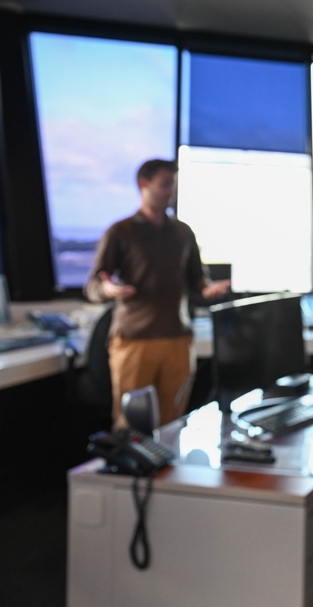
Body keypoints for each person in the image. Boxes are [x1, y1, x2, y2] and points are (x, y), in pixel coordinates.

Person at [85, 159, 230, 430]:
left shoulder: (183, 232)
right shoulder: (121, 231)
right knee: (131, 424)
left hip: (178, 339)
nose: (170, 191)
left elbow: (196, 279)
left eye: (172, 185)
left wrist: (207, 289)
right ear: (144, 184)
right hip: (135, 340)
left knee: (173, 423)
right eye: (164, 185)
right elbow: (93, 284)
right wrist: (109, 289)